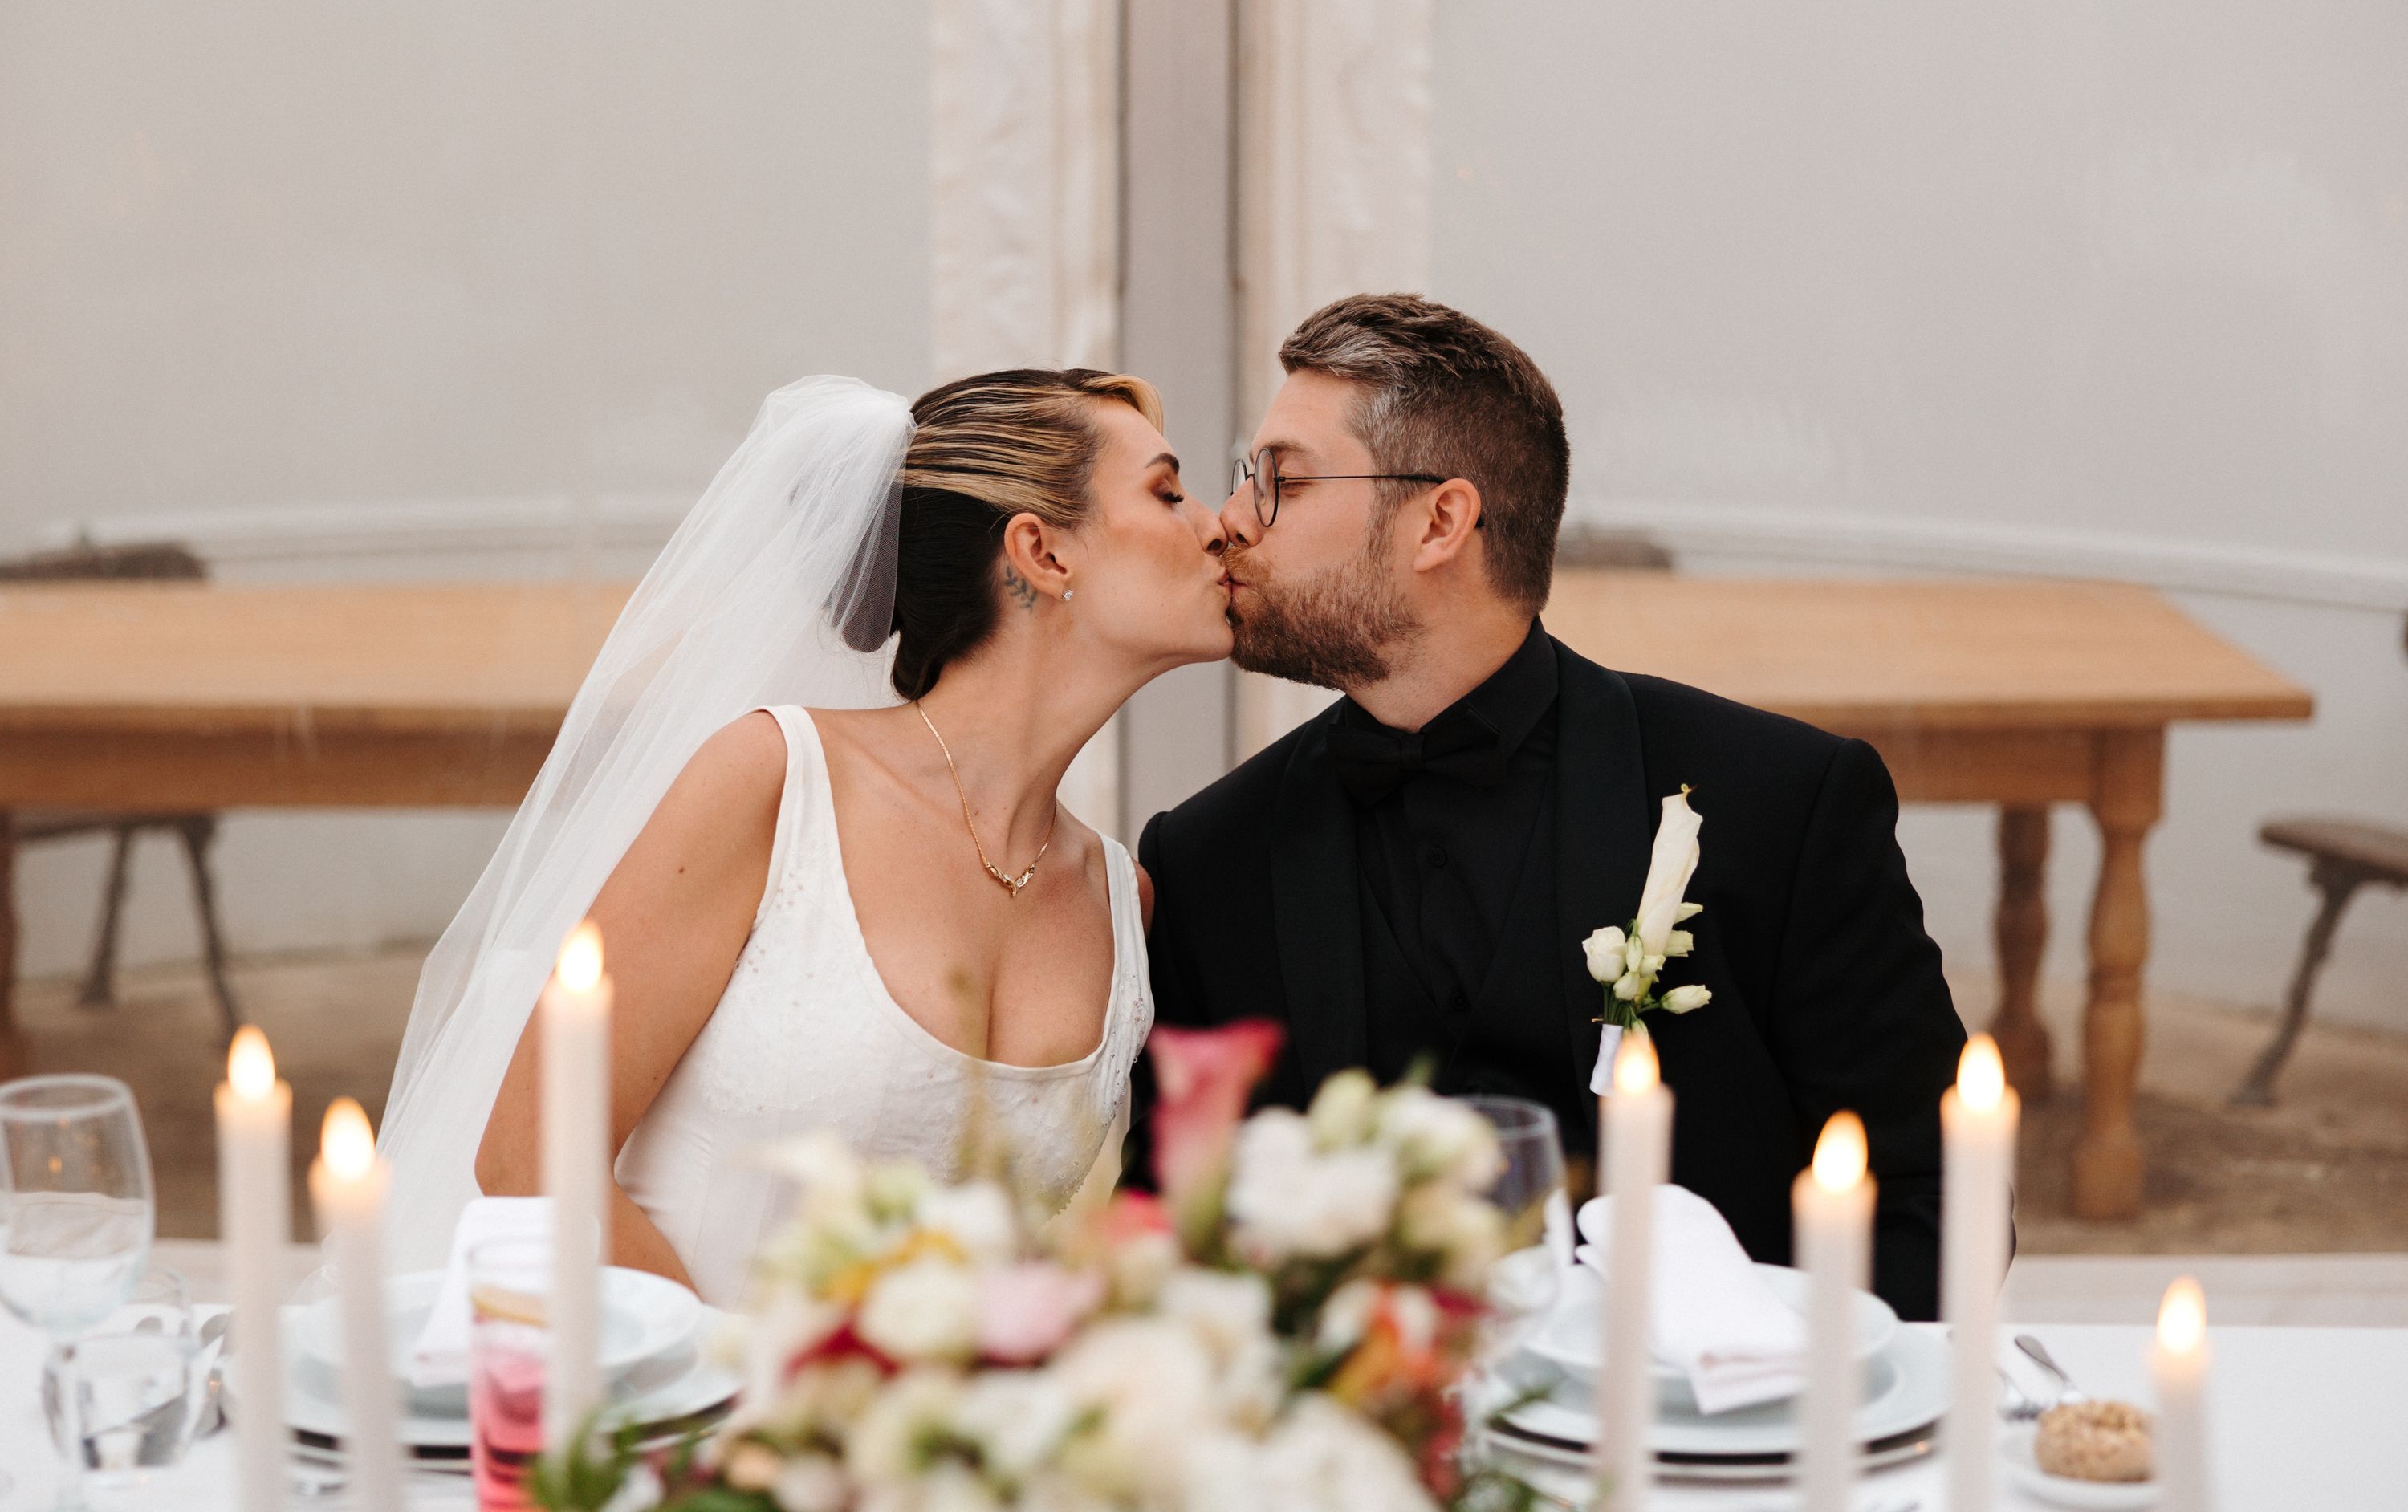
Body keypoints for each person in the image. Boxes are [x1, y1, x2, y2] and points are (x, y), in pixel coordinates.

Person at [1137, 295, 1970, 1319]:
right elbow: (1177, 1231)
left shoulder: (1781, 803)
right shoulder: (1206, 859)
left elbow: (1939, 1194)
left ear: (1441, 520)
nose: (1231, 521)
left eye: (1282, 480)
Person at [380, 371, 1230, 1304]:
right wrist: (752, 1416)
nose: (1216, 524)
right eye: (1166, 491)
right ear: (1041, 551)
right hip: (672, 1416)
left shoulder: (1123, 900)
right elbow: (530, 1157)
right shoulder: (775, 782)